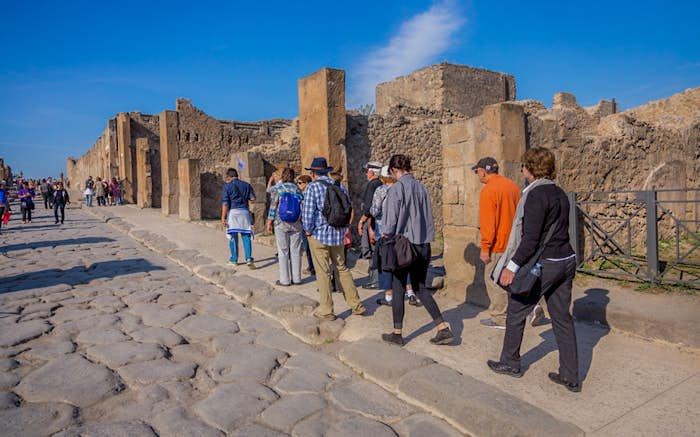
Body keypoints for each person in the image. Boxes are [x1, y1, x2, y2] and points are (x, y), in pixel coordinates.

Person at [487, 147, 580, 392]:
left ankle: (510, 362)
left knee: (517, 310)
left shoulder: (536, 195)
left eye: (524, 166)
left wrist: (512, 266)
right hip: (566, 259)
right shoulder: (559, 193)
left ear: (529, 168)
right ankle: (570, 375)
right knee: (562, 318)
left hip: (546, 263)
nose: (522, 170)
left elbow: (530, 238)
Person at [380, 154, 454, 346]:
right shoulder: (422, 188)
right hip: (424, 244)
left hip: (404, 245)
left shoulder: (397, 189)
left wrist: (385, 236)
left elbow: (388, 225)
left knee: (398, 286)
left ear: (394, 170)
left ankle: (397, 333)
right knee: (420, 287)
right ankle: (442, 328)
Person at [302, 157, 366, 320]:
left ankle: (326, 310)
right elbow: (348, 208)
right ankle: (356, 305)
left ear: (314, 173)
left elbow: (308, 213)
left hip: (319, 235)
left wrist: (308, 231)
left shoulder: (312, 187)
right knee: (342, 268)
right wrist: (344, 229)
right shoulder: (339, 186)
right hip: (338, 235)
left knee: (323, 272)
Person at [472, 157, 532, 329]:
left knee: (492, 279)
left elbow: (488, 224)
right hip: (514, 242)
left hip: (498, 244)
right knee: (510, 279)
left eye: (477, 172)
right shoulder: (512, 186)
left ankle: (500, 317)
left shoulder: (488, 191)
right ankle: (524, 308)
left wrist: (485, 248)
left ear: (483, 171)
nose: (477, 175)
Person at [371, 166, 419, 307]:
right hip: (402, 232)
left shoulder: (381, 190)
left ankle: (389, 296)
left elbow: (374, 210)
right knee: (404, 261)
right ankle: (410, 292)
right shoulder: (403, 188)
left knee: (387, 263)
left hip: (384, 231)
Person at [267, 168, 304, 286]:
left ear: (283, 176)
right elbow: (302, 205)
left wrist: (269, 222)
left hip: (281, 222)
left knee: (283, 251)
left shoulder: (278, 189)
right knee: (296, 250)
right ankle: (297, 278)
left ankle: (284, 280)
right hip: (296, 223)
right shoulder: (297, 189)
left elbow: (273, 206)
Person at [221, 168, 256, 269]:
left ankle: (234, 259)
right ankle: (248, 258)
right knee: (246, 236)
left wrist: (223, 217)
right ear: (237, 175)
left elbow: (225, 203)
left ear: (229, 177)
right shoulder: (246, 185)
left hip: (233, 213)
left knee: (233, 237)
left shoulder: (227, 186)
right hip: (244, 212)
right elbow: (253, 199)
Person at [358, 161, 384, 289]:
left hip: (372, 223)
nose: (365, 174)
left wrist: (362, 221)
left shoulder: (372, 185)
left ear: (372, 172)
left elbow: (368, 209)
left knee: (372, 251)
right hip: (377, 223)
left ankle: (375, 280)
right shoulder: (380, 184)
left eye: (367, 171)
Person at [296, 175, 315, 275]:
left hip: (308, 225)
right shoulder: (301, 194)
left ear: (306, 183)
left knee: (309, 247)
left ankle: (313, 267)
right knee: (308, 247)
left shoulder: (307, 194)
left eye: (300, 183)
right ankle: (312, 266)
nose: (298, 185)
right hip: (305, 224)